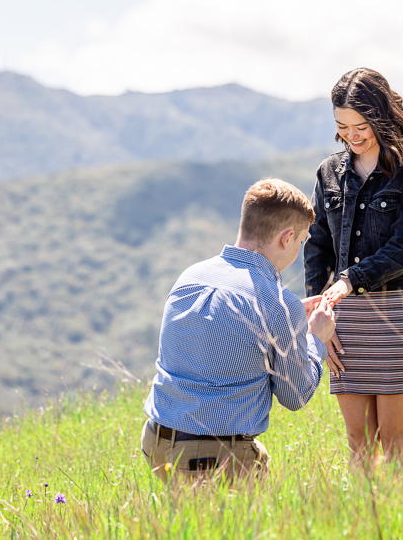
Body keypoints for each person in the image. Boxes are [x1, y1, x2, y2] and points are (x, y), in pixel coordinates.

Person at [142, 178, 337, 483]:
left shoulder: (191, 276)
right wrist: (314, 338)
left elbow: (220, 330)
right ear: (287, 238)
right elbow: (295, 395)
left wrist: (291, 318)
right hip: (215, 456)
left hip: (157, 439)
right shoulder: (277, 303)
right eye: (302, 241)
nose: (300, 248)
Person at [304, 67, 403, 469]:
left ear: (383, 117)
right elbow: (316, 246)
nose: (351, 135)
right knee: (358, 441)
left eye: (361, 125)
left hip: (401, 312)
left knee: (395, 440)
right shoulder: (328, 172)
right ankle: (362, 521)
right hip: (345, 314)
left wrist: (350, 280)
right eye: (342, 125)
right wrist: (321, 316)